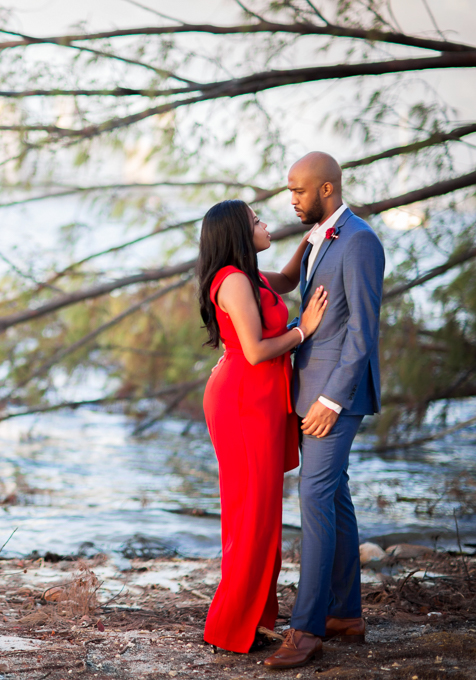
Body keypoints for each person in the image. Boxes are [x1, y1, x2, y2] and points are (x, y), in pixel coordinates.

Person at [264, 152, 385, 670]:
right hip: (311, 389)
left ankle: (307, 629)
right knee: (333, 498)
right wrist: (224, 270)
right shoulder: (317, 237)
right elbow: (289, 286)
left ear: (328, 190)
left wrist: (332, 400)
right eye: (289, 190)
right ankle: (344, 615)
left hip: (334, 396)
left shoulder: (358, 241)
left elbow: (363, 329)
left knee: (312, 496)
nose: (291, 199)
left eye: (299, 190)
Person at [197, 199, 328, 654]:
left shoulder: (248, 277)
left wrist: (313, 237)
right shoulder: (232, 282)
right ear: (237, 231)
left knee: (262, 512)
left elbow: (289, 279)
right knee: (250, 513)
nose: (266, 223)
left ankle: (252, 617)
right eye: (256, 220)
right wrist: (302, 330)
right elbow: (253, 351)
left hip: (261, 399)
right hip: (242, 401)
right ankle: (230, 625)